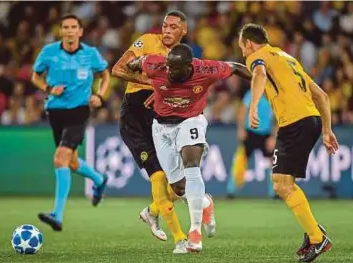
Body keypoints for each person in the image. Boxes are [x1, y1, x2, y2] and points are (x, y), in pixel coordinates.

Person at [127, 43, 251, 252]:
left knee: (192, 166)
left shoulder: (205, 69)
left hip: (191, 121)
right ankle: (205, 204)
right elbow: (134, 64)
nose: (169, 71)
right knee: (178, 187)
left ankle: (195, 233)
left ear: (188, 66)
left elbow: (237, 67)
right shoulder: (155, 65)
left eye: (174, 68)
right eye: (168, 66)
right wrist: (138, 70)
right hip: (161, 127)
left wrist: (265, 81)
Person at [238, 23, 339, 262]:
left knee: (282, 184)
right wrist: (326, 129)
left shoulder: (257, 56)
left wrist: (253, 106)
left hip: (294, 122)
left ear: (250, 43)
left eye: (242, 46)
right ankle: (313, 230)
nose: (242, 52)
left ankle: (317, 238)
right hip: (311, 119)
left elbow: (259, 74)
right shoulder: (286, 57)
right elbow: (321, 96)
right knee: (284, 182)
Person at [112, 10, 189, 253]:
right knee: (157, 175)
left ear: (183, 31)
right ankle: (180, 239)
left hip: (161, 115)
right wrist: (152, 84)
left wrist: (162, 92)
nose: (167, 30)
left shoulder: (182, 57)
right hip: (134, 114)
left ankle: (152, 211)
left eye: (173, 27)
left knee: (180, 184)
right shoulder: (146, 41)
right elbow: (117, 69)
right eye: (165, 26)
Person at [31, 14, 110, 231]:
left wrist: (100, 96)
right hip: (55, 111)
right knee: (71, 162)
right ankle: (99, 179)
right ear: (61, 31)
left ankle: (57, 214)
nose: (69, 30)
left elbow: (105, 75)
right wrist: (48, 89)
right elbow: (35, 76)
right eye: (65, 27)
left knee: (60, 157)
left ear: (80, 31)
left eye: (73, 27)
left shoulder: (91, 54)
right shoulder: (49, 53)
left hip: (79, 111)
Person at [227, 89, 276, 198]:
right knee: (240, 161)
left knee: (272, 163)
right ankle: (231, 191)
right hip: (250, 132)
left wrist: (273, 137)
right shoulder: (252, 93)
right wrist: (240, 129)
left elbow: (277, 119)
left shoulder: (274, 96)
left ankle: (274, 192)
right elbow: (242, 111)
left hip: (266, 134)